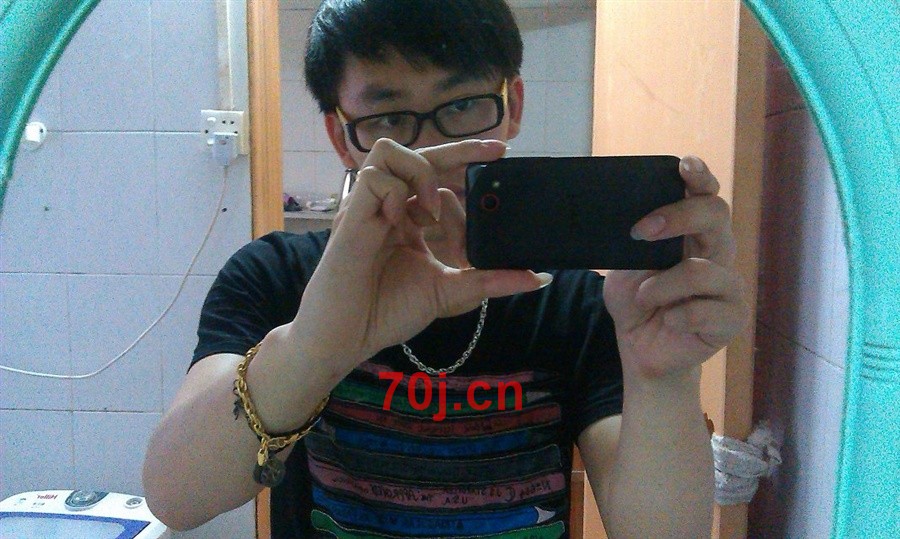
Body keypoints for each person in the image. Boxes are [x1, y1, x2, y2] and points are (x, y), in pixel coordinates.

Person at [143, 0, 749, 537]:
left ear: (512, 105)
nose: (429, 150)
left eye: (461, 106)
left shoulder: (585, 305)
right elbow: (177, 499)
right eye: (387, 119)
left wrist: (664, 379)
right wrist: (312, 348)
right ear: (341, 136)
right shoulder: (274, 276)